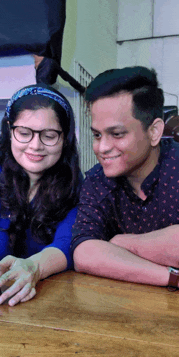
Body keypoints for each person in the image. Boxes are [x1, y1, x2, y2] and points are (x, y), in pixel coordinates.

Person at [0, 83, 81, 305]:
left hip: (48, 303)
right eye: (24, 133)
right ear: (9, 130)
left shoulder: (76, 183)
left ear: (65, 138)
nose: (35, 146)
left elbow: (68, 242)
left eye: (50, 135)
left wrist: (34, 266)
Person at [71, 66, 179, 290]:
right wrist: (171, 277)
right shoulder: (97, 180)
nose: (102, 148)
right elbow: (84, 253)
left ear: (154, 132)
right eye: (97, 135)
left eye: (117, 134)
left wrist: (121, 244)